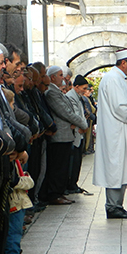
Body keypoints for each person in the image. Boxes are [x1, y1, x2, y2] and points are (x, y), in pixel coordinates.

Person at [93, 48, 127, 219]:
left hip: (118, 131)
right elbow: (120, 108)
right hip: (115, 132)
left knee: (119, 168)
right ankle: (113, 207)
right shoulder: (113, 79)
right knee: (115, 169)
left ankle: (117, 205)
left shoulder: (117, 78)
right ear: (123, 63)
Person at [40, 65, 87, 206]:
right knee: (58, 166)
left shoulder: (57, 91)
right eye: (60, 75)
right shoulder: (51, 92)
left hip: (66, 134)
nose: (64, 78)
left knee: (63, 165)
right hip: (59, 136)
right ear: (52, 77)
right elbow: (65, 112)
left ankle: (59, 192)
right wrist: (82, 124)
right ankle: (55, 194)